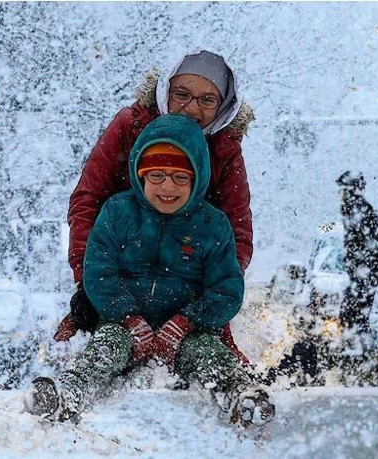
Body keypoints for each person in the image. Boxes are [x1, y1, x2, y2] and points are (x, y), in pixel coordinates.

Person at [24, 115, 273, 427]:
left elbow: (226, 289)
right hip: (123, 327)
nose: (167, 187)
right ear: (140, 175)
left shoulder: (212, 225)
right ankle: (67, 396)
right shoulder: (117, 213)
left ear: (198, 179)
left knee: (209, 353)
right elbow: (99, 273)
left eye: (180, 178)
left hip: (188, 333)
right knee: (106, 346)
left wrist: (186, 322)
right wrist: (129, 318)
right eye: (156, 175)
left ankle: (242, 396)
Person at [55, 50, 253, 364]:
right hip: (123, 268)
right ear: (165, 92)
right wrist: (87, 280)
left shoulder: (224, 149)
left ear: (224, 107)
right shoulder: (131, 126)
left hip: (188, 281)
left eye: (207, 100)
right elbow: (87, 201)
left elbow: (237, 232)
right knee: (101, 347)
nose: (191, 109)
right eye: (182, 95)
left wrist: (207, 304)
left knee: (207, 357)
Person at [336, 171, 378, 382]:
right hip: (361, 274)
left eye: (344, 190)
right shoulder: (358, 209)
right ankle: (362, 361)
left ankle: (366, 361)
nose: (341, 194)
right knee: (353, 317)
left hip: (364, 275)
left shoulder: (358, 209)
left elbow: (366, 245)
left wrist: (359, 269)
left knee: (354, 317)